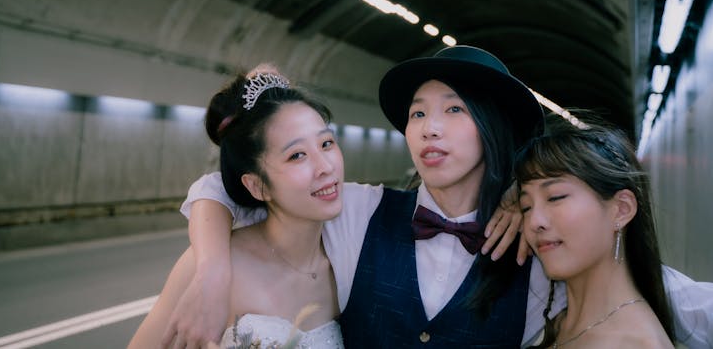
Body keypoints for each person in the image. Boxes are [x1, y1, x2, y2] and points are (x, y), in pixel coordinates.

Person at [168, 46, 713, 348]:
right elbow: (232, 183)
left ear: (491, 126)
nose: (430, 128)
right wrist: (213, 270)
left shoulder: (539, 244)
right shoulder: (357, 213)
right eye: (418, 114)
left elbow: (655, 293)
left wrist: (521, 205)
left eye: (454, 110)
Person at [129, 66, 345, 348]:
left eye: (326, 143)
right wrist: (212, 271)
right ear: (257, 186)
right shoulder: (208, 267)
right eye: (297, 155)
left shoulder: (349, 259)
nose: (326, 167)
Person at [515, 114, 675, 347]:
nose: (534, 222)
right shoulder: (557, 323)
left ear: (621, 209)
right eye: (526, 206)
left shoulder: (636, 343)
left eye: (555, 197)